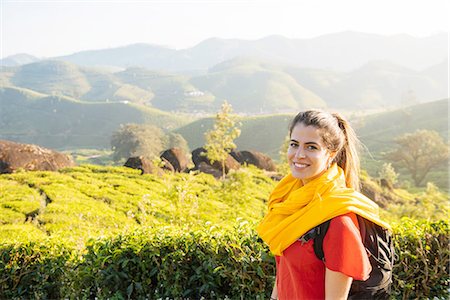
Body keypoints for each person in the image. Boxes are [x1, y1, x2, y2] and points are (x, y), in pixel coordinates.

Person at [256, 110, 391, 300]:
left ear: (331, 154)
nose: (299, 155)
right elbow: (284, 271)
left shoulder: (337, 220)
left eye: (311, 147)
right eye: (294, 145)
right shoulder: (289, 202)